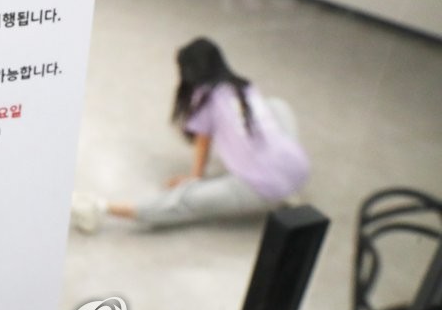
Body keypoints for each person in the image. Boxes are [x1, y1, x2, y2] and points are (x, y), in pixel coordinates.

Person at [71, 37, 309, 231]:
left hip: (259, 188)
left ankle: (100, 208)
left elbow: (202, 146)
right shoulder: (244, 86)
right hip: (298, 168)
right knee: (276, 105)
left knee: (186, 201)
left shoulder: (204, 99)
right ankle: (287, 188)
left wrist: (194, 178)